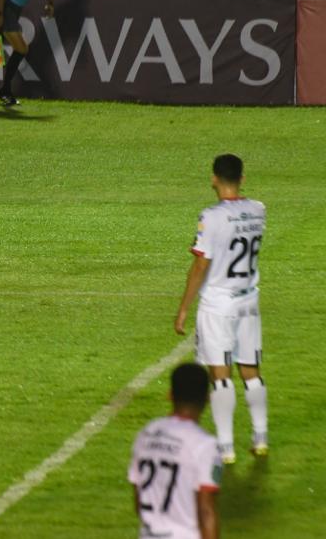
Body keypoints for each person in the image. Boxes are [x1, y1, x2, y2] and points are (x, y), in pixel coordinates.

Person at [174, 153, 268, 465]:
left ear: (214, 178)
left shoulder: (211, 217)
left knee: (220, 374)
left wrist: (184, 307)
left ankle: (226, 448)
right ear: (242, 178)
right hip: (249, 300)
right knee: (251, 372)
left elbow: (201, 264)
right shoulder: (258, 210)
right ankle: (260, 438)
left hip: (219, 303)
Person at [128, 362, 222, 539]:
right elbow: (206, 511)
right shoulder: (205, 445)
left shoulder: (147, 434)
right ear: (207, 398)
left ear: (170, 395)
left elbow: (138, 497)